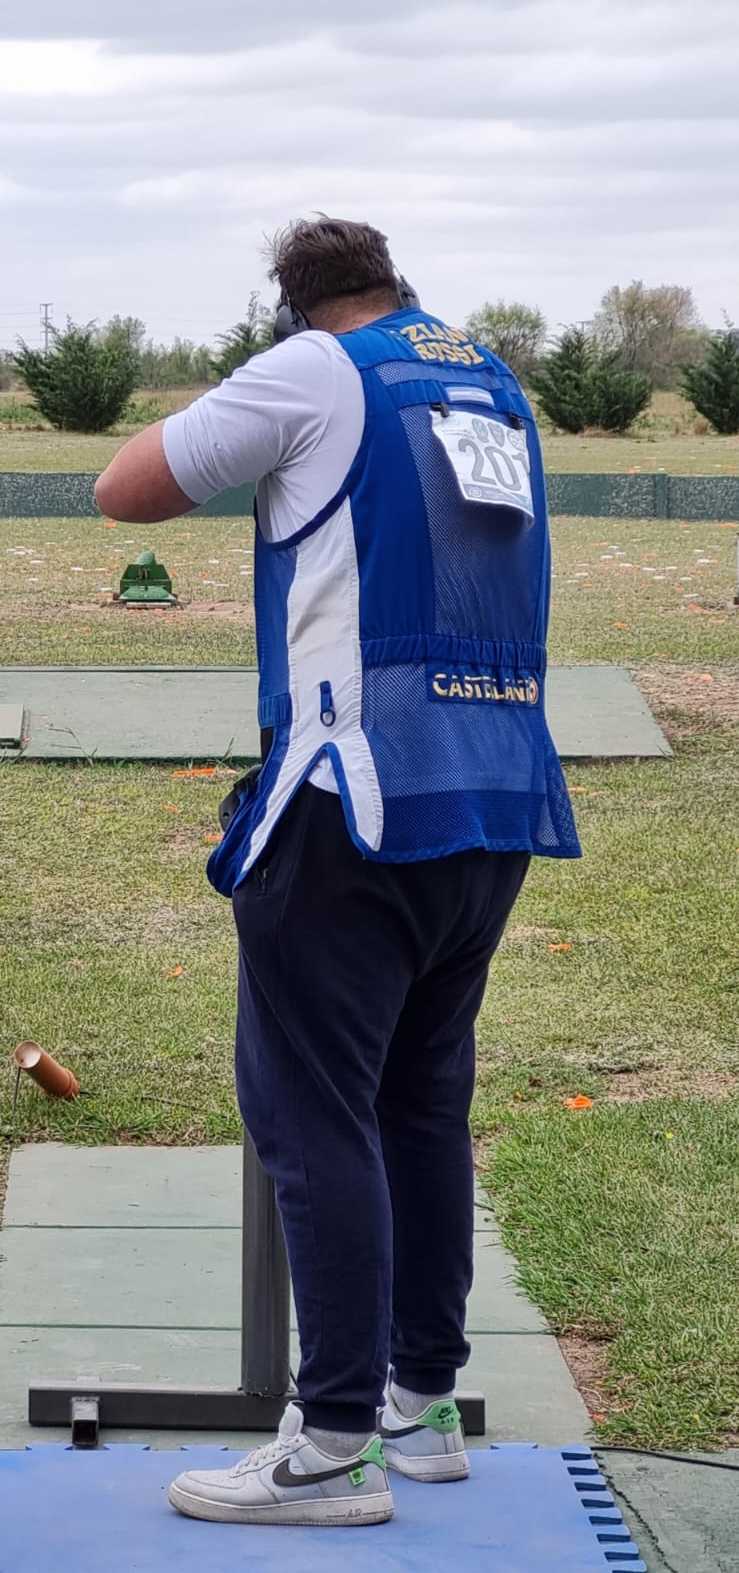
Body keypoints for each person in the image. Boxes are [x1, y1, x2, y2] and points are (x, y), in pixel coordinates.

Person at [95, 217, 580, 1529]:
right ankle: (423, 1410)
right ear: (399, 286)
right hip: (491, 791)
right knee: (421, 1102)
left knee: (314, 1116)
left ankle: (330, 1445)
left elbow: (127, 488)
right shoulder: (487, 377)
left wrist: (255, 383)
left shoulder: (317, 368)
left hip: (351, 793)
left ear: (297, 306)